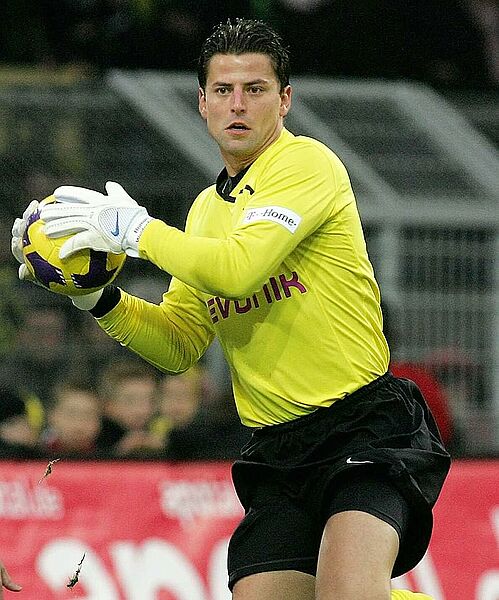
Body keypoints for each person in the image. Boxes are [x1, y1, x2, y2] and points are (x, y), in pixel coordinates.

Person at [12, 18, 450, 600]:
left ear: (284, 100)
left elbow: (238, 270)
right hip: (276, 450)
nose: (237, 104)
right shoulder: (205, 213)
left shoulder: (306, 165)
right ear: (202, 103)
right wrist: (96, 297)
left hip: (363, 428)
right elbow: (178, 343)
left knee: (347, 591)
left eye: (255, 89)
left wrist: (138, 231)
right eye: (223, 90)